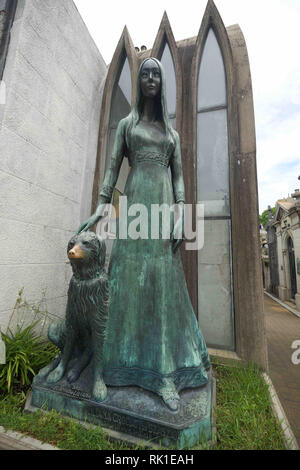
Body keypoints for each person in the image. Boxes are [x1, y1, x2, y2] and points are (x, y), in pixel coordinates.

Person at [77, 57, 210, 411]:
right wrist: (101, 207)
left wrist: (181, 214)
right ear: (140, 82)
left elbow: (179, 178)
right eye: (145, 74)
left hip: (163, 209)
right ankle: (116, 367)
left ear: (163, 83)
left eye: (156, 74)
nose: (151, 78)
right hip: (135, 205)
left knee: (162, 287)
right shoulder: (126, 125)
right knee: (124, 281)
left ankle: (165, 373)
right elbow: (111, 171)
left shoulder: (171, 135)